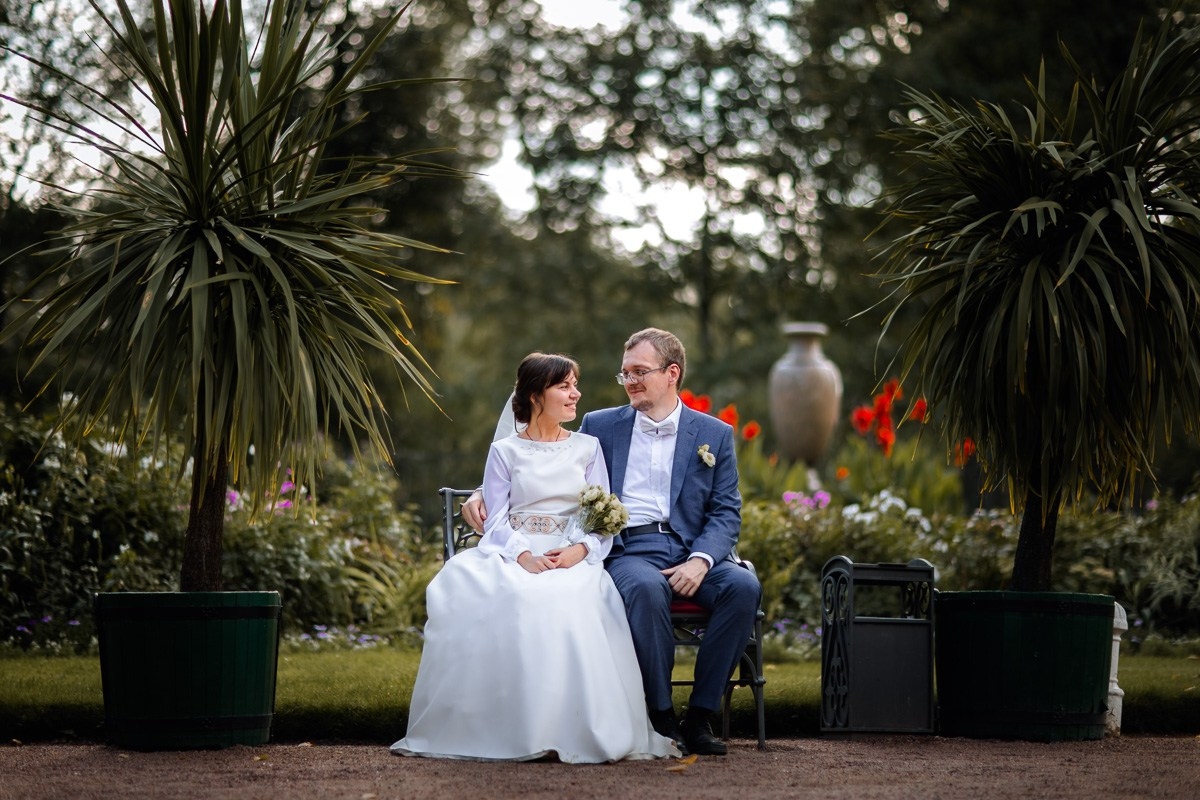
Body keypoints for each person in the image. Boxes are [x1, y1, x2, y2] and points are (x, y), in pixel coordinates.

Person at [464, 329, 762, 756]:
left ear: (672, 373)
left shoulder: (714, 434)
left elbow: (726, 512)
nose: (630, 382)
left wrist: (701, 559)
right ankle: (660, 714)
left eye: (640, 372)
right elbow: (545, 457)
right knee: (645, 589)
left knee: (743, 587)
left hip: (693, 550)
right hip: (630, 549)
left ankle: (700, 715)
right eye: (625, 374)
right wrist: (481, 493)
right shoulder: (601, 425)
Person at [391, 352, 678, 763]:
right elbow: (496, 518)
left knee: (566, 597)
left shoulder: (588, 447)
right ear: (535, 395)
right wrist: (522, 555)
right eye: (564, 386)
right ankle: (502, 726)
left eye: (575, 385)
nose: (575, 394)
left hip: (572, 555)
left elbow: (602, 516)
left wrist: (580, 550)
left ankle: (569, 727)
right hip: (514, 552)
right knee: (507, 594)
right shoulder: (505, 451)